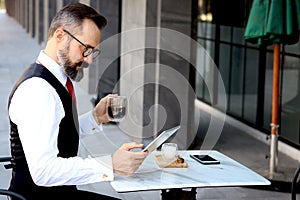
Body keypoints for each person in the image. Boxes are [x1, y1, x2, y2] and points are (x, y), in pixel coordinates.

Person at [7, 2, 148, 200]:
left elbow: (59, 131)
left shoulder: (56, 78)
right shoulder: (38, 90)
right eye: (85, 49)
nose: (89, 60)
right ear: (59, 36)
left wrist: (95, 118)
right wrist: (110, 164)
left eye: (92, 52)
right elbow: (44, 171)